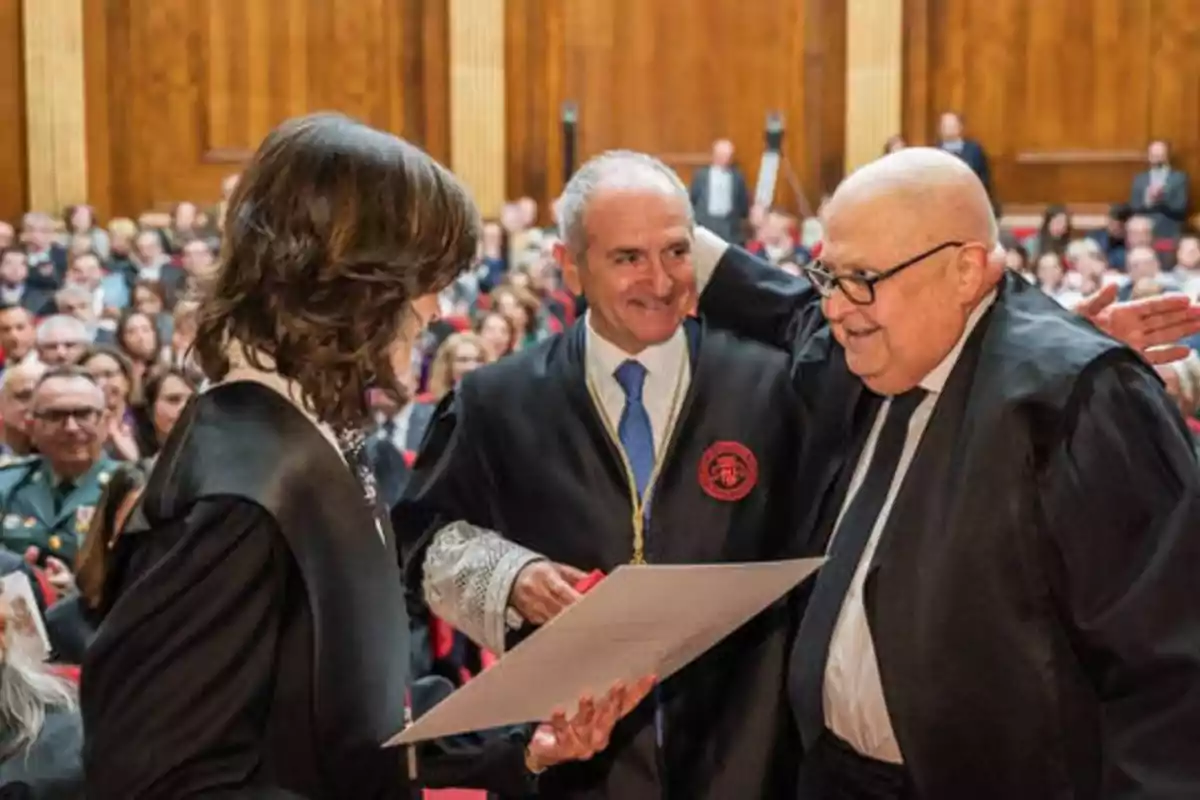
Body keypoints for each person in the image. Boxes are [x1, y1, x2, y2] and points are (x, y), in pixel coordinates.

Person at [80, 113, 652, 800]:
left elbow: (346, 714)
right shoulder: (245, 486)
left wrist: (522, 744)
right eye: (428, 280)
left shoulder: (310, 437)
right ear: (354, 282)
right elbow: (159, 774)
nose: (439, 310)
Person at [691, 146, 1200, 798]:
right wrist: (683, 245)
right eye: (828, 276)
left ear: (964, 273)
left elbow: (1166, 676)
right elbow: (794, 315)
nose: (838, 309)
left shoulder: (1080, 399)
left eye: (862, 278)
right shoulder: (871, 347)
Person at [398, 150, 807, 799]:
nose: (661, 279)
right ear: (571, 268)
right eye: (627, 258)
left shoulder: (771, 385)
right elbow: (418, 547)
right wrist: (509, 577)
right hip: (575, 769)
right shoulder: (497, 403)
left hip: (749, 760)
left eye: (676, 252)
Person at [0, 368, 118, 570]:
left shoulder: (131, 488)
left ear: (106, 423)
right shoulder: (8, 484)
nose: (71, 428)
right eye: (55, 416)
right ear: (31, 427)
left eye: (83, 414)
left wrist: (78, 590)